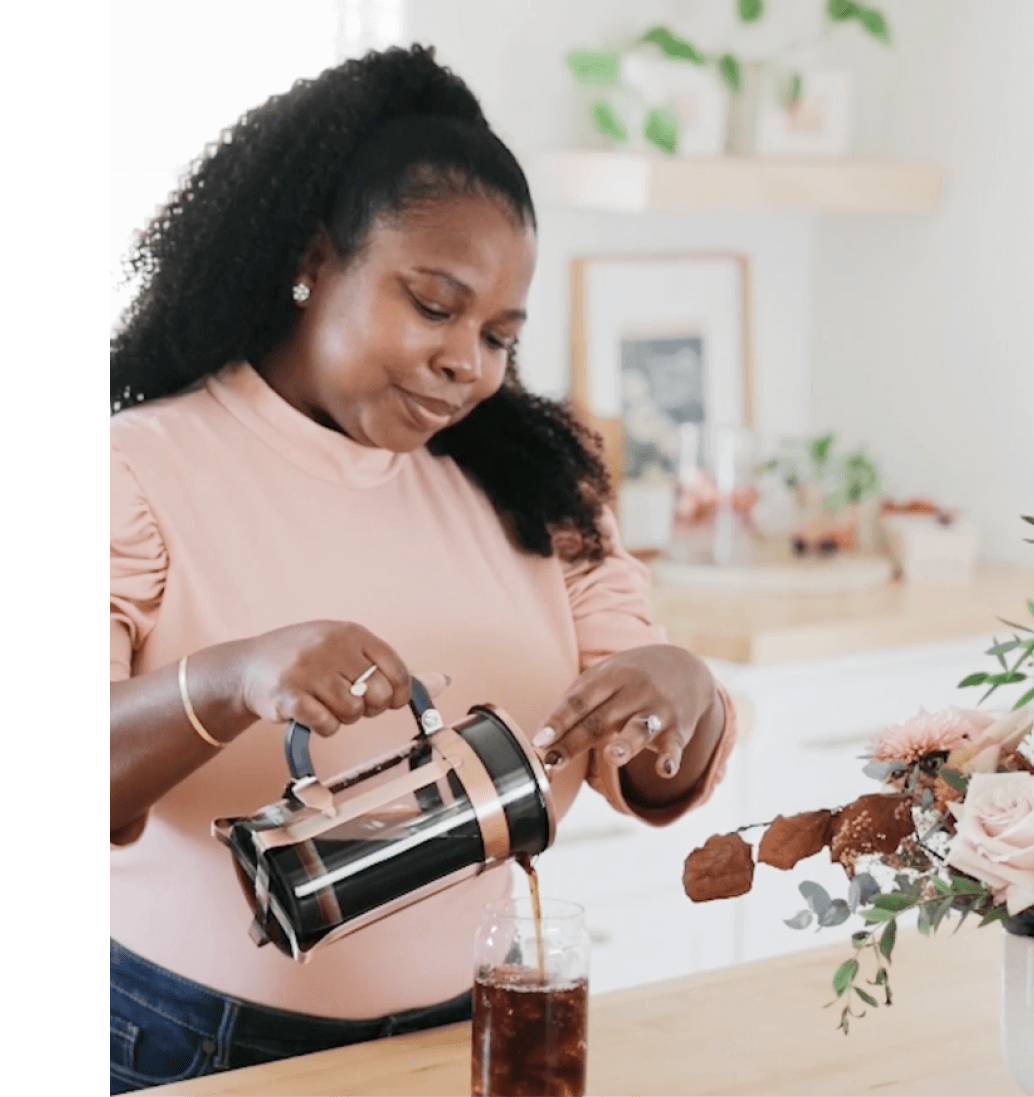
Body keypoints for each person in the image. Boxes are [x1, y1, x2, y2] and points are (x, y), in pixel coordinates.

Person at [109, 44, 737, 1094]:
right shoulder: (141, 469)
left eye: (499, 334)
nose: (469, 365)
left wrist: (687, 692)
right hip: (195, 1045)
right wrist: (229, 679)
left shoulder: (534, 484)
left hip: (473, 1028)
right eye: (434, 307)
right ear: (314, 258)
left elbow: (649, 763)